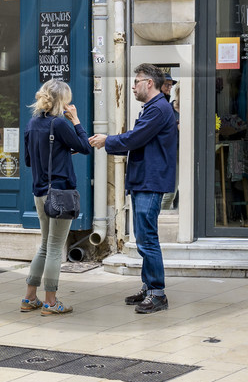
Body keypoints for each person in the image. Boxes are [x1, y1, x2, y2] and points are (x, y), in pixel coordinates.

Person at [91, 64, 179, 313]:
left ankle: (157, 293)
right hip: (144, 180)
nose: (133, 85)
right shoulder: (154, 108)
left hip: (150, 182)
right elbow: (136, 138)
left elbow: (134, 138)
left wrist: (107, 140)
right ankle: (148, 287)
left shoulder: (159, 109)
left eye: (137, 81)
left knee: (147, 238)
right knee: (143, 237)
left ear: (149, 83)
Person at [20, 78, 92, 315]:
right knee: (54, 248)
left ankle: (30, 298)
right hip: (60, 192)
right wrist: (77, 120)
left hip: (40, 192)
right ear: (62, 101)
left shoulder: (32, 124)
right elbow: (85, 146)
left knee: (44, 245)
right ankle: (51, 302)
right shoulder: (59, 124)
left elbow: (30, 160)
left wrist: (60, 150)